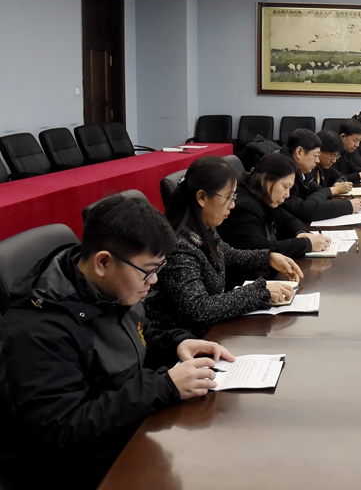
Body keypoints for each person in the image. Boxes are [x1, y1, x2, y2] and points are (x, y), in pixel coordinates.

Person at [0, 195, 235, 490]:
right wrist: (163, 386)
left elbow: (138, 333)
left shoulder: (109, 288)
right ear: (103, 262)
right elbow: (64, 431)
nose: (154, 281)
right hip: (74, 469)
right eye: (148, 271)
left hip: (124, 430)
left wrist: (176, 343)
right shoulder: (38, 331)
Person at [145, 156, 301, 337]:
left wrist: (267, 258)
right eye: (228, 197)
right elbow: (198, 309)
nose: (232, 205)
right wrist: (260, 291)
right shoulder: (179, 246)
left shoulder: (204, 228)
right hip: (184, 343)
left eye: (234, 196)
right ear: (202, 197)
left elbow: (227, 254)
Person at [217, 152, 332, 258]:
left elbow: (288, 220)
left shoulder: (264, 198)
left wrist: (301, 233)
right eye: (285, 187)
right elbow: (259, 250)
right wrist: (306, 244)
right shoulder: (244, 208)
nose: (287, 195)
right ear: (264, 180)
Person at [279, 128, 361, 220]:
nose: (317, 160)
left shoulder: (300, 169)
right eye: (316, 155)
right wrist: (347, 205)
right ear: (299, 152)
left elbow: (318, 190)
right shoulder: (281, 171)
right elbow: (303, 209)